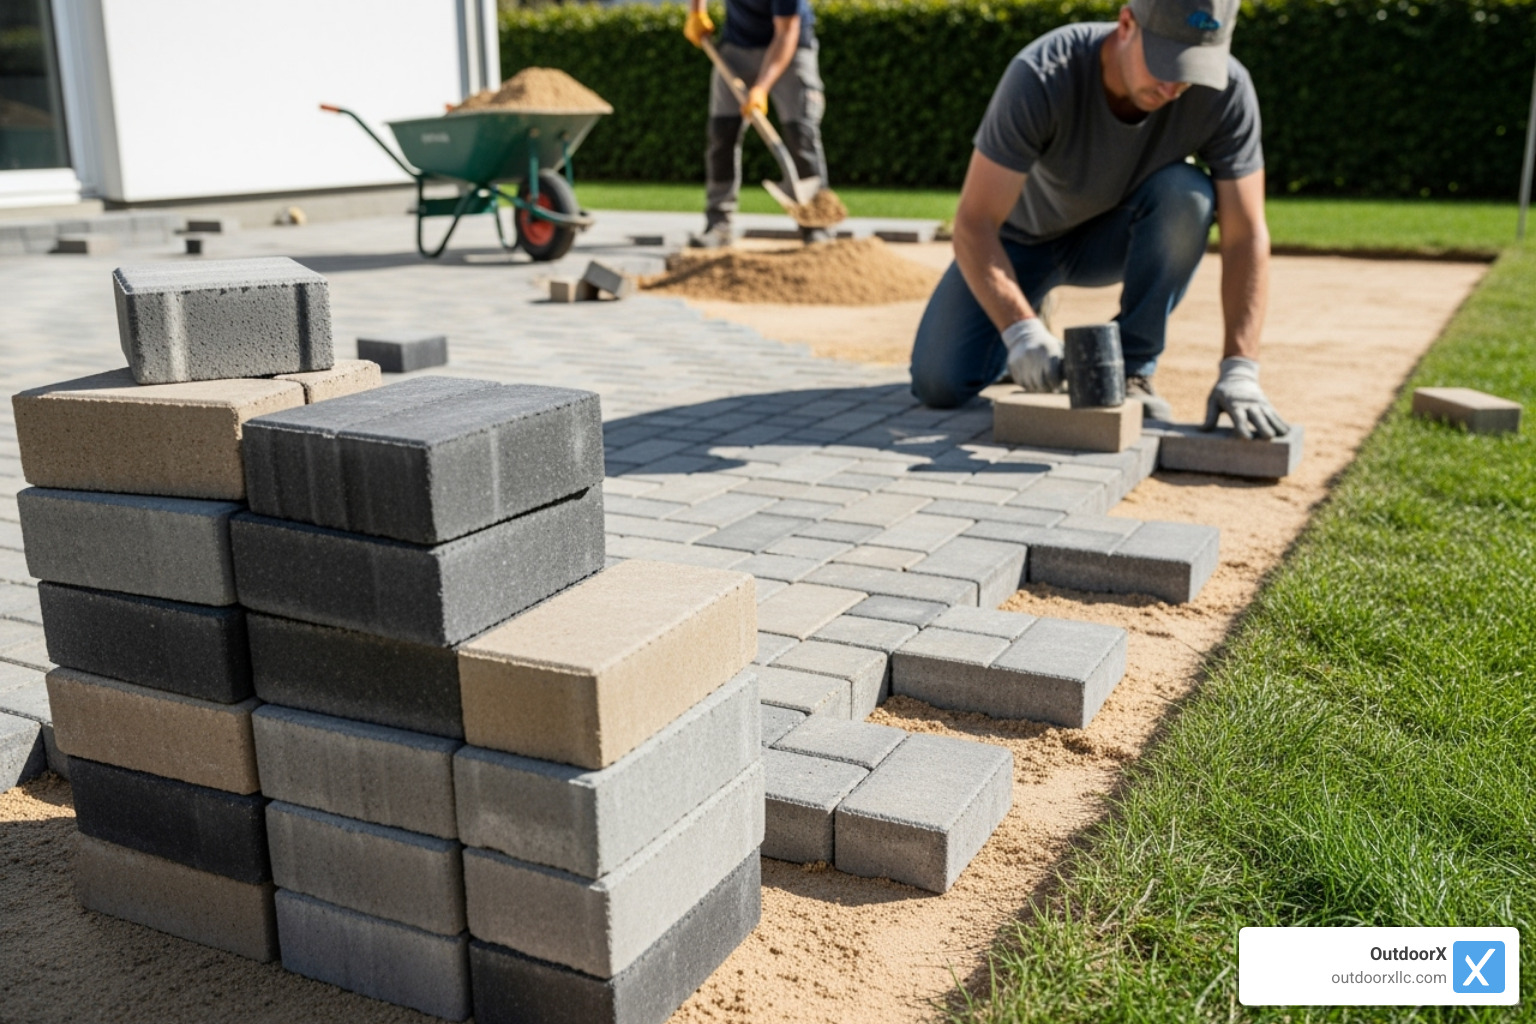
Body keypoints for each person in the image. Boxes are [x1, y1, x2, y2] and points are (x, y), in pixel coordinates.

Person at [908, 0, 1289, 439]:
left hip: (1114, 237)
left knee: (1189, 196)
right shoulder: (1044, 71)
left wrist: (1240, 368)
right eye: (1165, 63)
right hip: (1021, 244)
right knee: (938, 384)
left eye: (1191, 67)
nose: (1172, 86)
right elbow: (973, 223)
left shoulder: (1226, 91)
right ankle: (1034, 313)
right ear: (1126, 23)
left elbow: (1246, 235)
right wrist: (1020, 330)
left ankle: (1131, 366)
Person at [683, 0, 830, 247]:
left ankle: (816, 225)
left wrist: (761, 88)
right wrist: (697, 12)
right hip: (737, 46)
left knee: (800, 134)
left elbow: (786, 33)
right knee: (722, 133)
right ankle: (718, 225)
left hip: (790, 47)